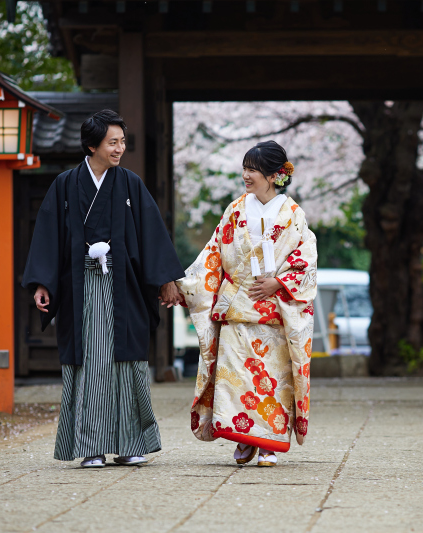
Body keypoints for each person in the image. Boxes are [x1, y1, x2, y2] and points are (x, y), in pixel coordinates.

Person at [22, 109, 185, 468]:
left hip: (123, 284)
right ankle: (90, 446)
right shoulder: (65, 184)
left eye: (122, 142)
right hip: (80, 285)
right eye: (113, 142)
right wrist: (42, 282)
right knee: (90, 363)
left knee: (127, 362)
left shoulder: (130, 183)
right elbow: (48, 235)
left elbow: (152, 233)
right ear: (92, 145)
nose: (120, 148)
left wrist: (166, 279)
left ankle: (130, 443)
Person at [177, 140, 316, 467]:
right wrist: (184, 287)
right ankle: (243, 435)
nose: (246, 176)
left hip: (273, 311)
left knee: (272, 380)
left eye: (253, 170)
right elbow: (213, 253)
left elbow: (306, 258)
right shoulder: (235, 210)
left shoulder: (292, 214)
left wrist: (278, 282)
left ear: (273, 176)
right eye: (245, 169)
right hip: (237, 308)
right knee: (235, 379)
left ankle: (268, 444)